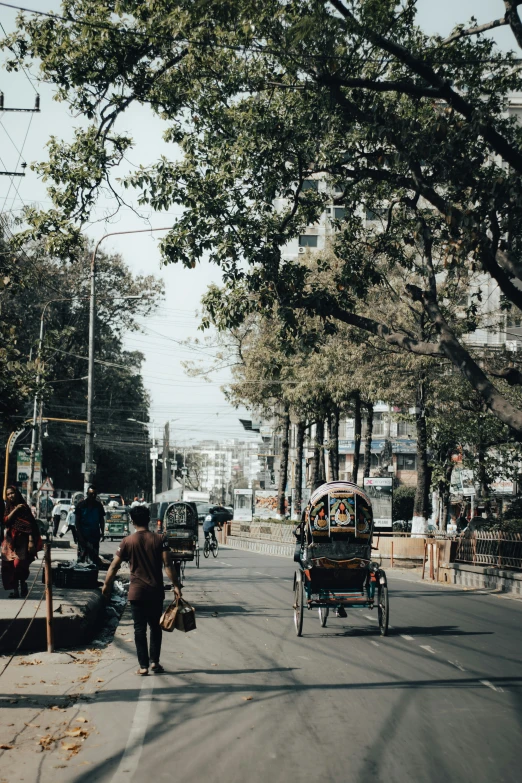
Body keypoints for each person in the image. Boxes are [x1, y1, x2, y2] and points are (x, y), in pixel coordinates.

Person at [102, 505, 181, 676]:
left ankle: (143, 666)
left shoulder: (127, 541)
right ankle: (155, 663)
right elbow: (168, 565)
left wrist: (106, 585)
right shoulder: (160, 539)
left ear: (132, 521)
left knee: (139, 629)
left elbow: (114, 566)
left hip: (136, 592)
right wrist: (176, 585)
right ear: (148, 519)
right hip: (155, 592)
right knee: (155, 627)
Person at [2, 486, 42, 598]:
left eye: (12, 493)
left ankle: (23, 583)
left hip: (22, 541)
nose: (11, 496)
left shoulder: (25, 507)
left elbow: (30, 525)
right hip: (10, 541)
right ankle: (15, 591)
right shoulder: (9, 508)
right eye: (8, 494)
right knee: (9, 566)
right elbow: (6, 521)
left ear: (17, 493)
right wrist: (15, 510)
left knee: (19, 565)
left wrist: (31, 541)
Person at [75, 485, 105, 564]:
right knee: (81, 559)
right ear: (87, 494)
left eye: (95, 494)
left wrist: (103, 532)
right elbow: (77, 522)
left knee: (94, 559)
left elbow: (101, 520)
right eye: (91, 494)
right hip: (83, 536)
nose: (93, 496)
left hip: (95, 536)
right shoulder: (80, 505)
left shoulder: (99, 506)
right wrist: (79, 536)